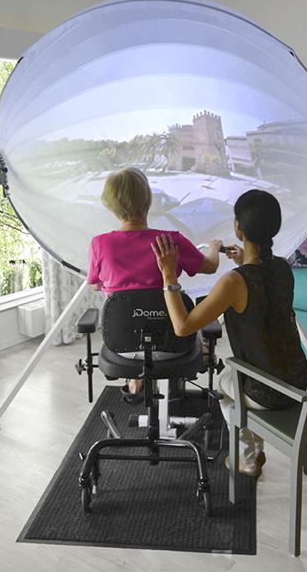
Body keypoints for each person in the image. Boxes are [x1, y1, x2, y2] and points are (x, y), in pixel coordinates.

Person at [152, 189, 307, 477]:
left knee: (225, 387)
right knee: (240, 379)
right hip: (298, 381)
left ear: (238, 228)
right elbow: (263, 295)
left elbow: (182, 326)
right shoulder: (283, 268)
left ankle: (246, 458)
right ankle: (253, 450)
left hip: (268, 392)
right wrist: (244, 265)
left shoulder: (234, 282)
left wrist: (168, 275)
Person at [87, 167, 222, 400]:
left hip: (123, 349)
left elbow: (94, 284)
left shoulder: (100, 244)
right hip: (176, 347)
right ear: (148, 201)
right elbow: (210, 266)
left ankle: (136, 379)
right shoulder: (171, 241)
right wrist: (214, 248)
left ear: (111, 205)